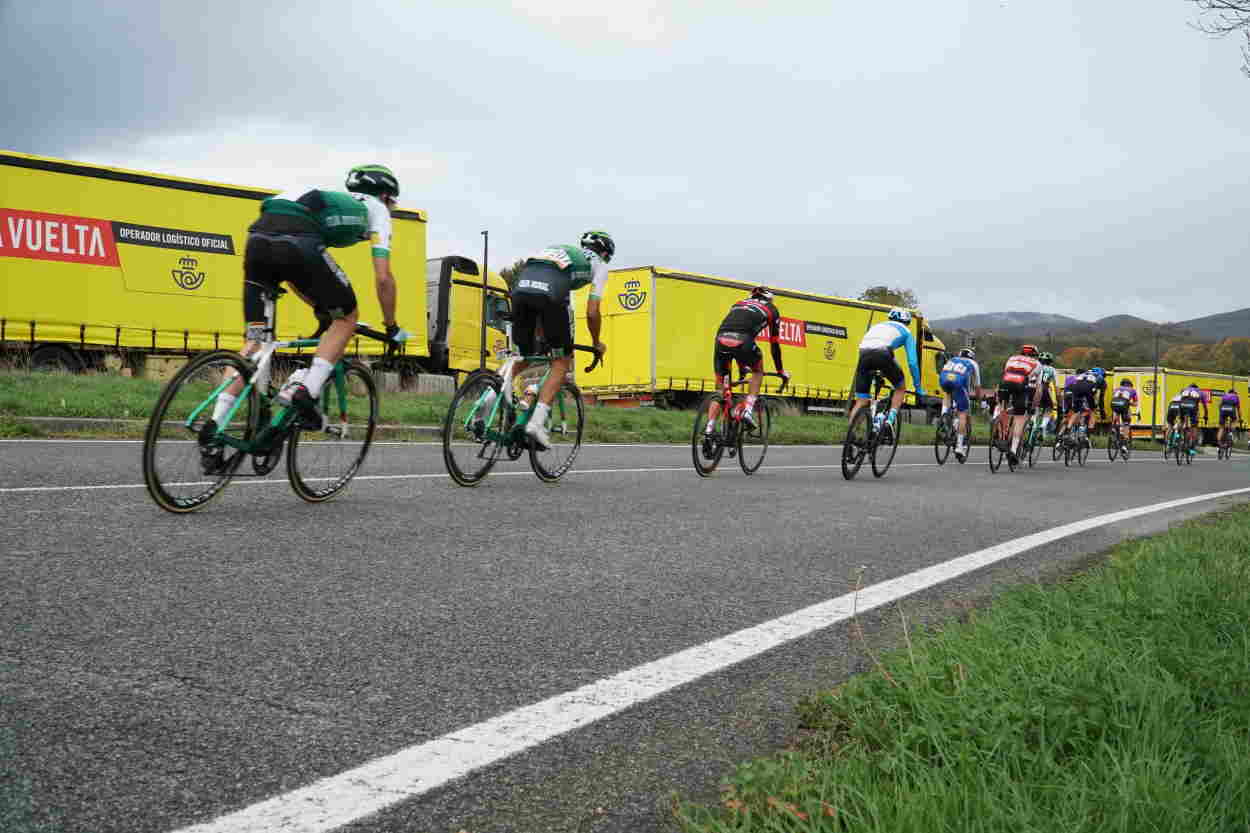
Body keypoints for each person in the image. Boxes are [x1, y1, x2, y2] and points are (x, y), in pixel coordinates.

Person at [204, 164, 409, 469]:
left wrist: (320, 305)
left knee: (255, 343)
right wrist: (391, 326)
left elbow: (293, 274)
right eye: (393, 203)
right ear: (385, 195)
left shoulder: (332, 194)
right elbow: (383, 279)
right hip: (299, 240)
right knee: (348, 317)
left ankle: (212, 430)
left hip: (259, 239)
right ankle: (306, 392)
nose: (391, 209)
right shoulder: (376, 209)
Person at [507, 230, 614, 449]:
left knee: (524, 355)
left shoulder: (560, 250)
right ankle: (536, 424)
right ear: (604, 253)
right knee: (561, 363)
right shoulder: (599, 266)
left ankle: (488, 401)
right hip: (548, 295)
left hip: (521, 288)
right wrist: (596, 342)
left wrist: (542, 333)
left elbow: (547, 301)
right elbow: (592, 312)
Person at [705, 286, 790, 435]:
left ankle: (708, 429)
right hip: (743, 342)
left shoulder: (738, 304)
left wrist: (742, 367)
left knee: (721, 391)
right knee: (758, 371)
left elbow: (734, 331)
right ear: (769, 299)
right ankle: (748, 410)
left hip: (720, 340)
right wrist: (780, 370)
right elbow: (774, 344)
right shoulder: (771, 309)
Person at [848, 308, 925, 438]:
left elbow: (869, 347)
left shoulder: (877, 326)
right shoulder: (906, 331)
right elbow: (912, 362)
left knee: (861, 401)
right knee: (900, 387)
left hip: (863, 355)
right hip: (883, 354)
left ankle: (850, 437)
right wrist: (918, 387)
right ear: (906, 322)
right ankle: (889, 421)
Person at [995, 344, 1044, 466]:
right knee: (1019, 418)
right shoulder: (1037, 364)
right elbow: (1038, 390)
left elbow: (1004, 375)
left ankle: (1001, 435)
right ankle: (1013, 449)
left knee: (1003, 408)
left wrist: (998, 397)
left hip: (1004, 383)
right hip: (1020, 385)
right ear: (1035, 355)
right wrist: (1033, 407)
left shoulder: (1012, 358)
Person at [938, 347, 982, 462]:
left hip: (943, 379)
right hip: (958, 383)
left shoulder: (953, 359)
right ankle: (959, 446)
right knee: (963, 413)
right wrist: (979, 400)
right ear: (972, 357)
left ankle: (944, 416)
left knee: (947, 394)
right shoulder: (973, 363)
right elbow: (977, 387)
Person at [1177, 381, 1210, 457]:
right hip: (1192, 408)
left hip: (1182, 406)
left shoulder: (1184, 389)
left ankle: (1178, 434)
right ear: (1197, 388)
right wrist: (1206, 416)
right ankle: (1192, 448)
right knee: (1194, 427)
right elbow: (1205, 407)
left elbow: (1180, 399)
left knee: (1181, 421)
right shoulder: (1200, 392)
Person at [1036, 351, 1059, 436]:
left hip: (1033, 388)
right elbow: (1056, 385)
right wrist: (1058, 398)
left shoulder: (1035, 366)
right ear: (1050, 361)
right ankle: (1043, 425)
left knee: (1035, 407)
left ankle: (1033, 421)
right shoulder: (1052, 370)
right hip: (1044, 389)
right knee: (1049, 409)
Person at [1109, 378, 1139, 446]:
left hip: (1113, 404)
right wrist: (1129, 403)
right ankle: (1124, 443)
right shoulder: (1133, 390)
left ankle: (1114, 426)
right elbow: (1135, 404)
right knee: (1126, 423)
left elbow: (1115, 398)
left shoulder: (1116, 389)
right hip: (1124, 406)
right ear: (1130, 385)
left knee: (1116, 410)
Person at [1218, 384, 1242, 449]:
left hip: (1223, 410)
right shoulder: (1236, 396)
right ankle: (1231, 433)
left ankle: (1219, 442)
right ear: (1234, 393)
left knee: (1221, 427)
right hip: (1231, 410)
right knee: (1234, 421)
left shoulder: (1224, 396)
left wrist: (1221, 414)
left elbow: (1219, 406)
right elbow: (1238, 409)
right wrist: (1240, 419)